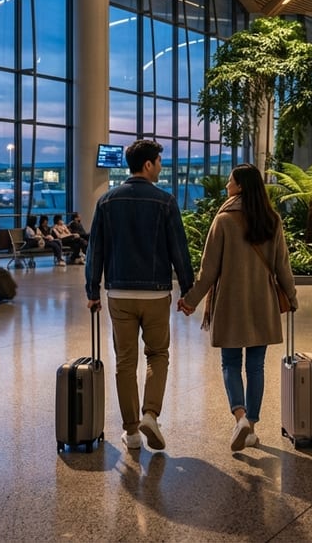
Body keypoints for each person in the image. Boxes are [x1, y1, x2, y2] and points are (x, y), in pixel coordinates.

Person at [178, 164, 297, 451]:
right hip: (262, 302)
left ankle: (240, 417)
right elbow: (282, 265)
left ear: (240, 186)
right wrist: (291, 297)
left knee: (231, 363)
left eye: (230, 181)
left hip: (230, 303)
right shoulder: (272, 219)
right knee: (255, 366)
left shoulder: (224, 220)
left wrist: (191, 300)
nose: (227, 186)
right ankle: (251, 427)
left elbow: (209, 270)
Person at [85, 139, 194, 452]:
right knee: (158, 355)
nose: (160, 167)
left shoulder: (106, 201)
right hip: (156, 294)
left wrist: (93, 290)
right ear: (148, 165)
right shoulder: (165, 201)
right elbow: (179, 250)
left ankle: (132, 433)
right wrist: (188, 291)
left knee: (125, 363)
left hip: (119, 294)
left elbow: (96, 250)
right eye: (159, 161)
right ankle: (150, 414)